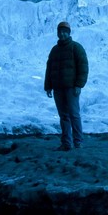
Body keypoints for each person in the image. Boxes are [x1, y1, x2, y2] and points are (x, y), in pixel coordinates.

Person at [44, 21, 88, 150]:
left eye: (64, 32)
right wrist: (48, 86)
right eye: (60, 32)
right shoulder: (55, 50)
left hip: (71, 88)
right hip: (58, 88)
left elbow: (83, 67)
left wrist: (79, 85)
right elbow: (49, 69)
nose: (62, 34)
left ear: (69, 33)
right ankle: (66, 143)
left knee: (74, 114)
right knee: (63, 116)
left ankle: (78, 141)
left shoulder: (76, 47)